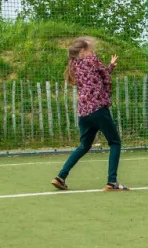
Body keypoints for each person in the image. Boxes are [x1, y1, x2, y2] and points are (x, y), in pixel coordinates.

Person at [51, 37, 129, 192]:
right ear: (82, 51)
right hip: (98, 108)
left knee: (84, 146)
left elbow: (97, 75)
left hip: (83, 111)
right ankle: (112, 182)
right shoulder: (92, 59)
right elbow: (105, 77)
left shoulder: (73, 64)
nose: (93, 51)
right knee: (115, 142)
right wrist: (110, 69)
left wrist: (110, 66)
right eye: (90, 49)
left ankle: (60, 177)